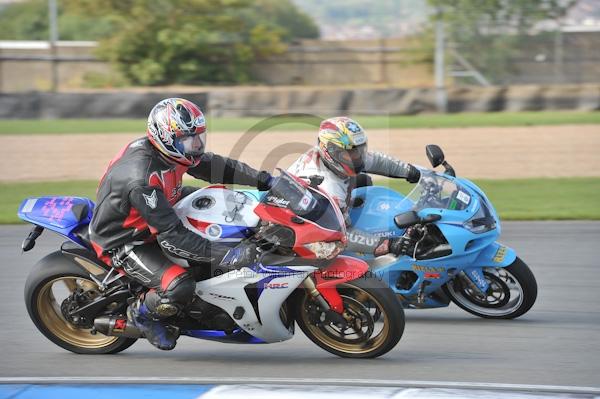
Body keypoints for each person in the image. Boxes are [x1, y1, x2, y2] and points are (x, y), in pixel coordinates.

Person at [89, 98, 272, 350]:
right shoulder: (141, 178)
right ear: (165, 138)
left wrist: (265, 180)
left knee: (221, 199)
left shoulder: (169, 153)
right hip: (125, 239)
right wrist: (230, 255)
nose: (196, 146)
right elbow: (172, 237)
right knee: (179, 285)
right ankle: (143, 315)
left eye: (198, 138)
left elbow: (214, 166)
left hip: (161, 206)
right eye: (188, 139)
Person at [288, 116, 421, 258]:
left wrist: (410, 172)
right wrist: (386, 244)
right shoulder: (329, 188)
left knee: (364, 180)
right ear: (330, 151)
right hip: (302, 233)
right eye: (350, 153)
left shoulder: (334, 155)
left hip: (312, 207)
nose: (357, 157)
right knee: (340, 255)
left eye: (359, 151)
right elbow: (340, 234)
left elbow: (376, 161)